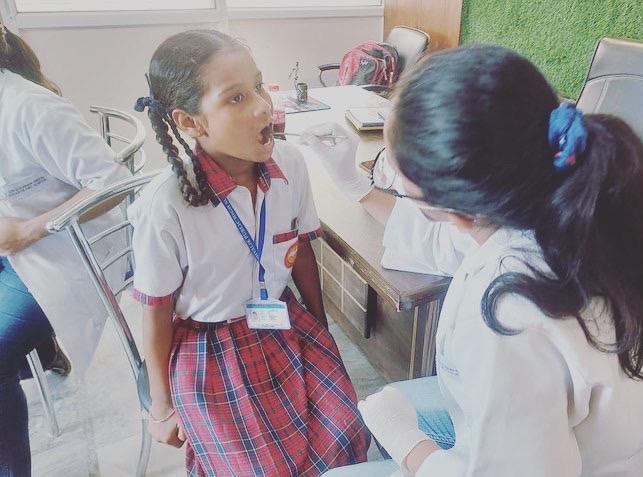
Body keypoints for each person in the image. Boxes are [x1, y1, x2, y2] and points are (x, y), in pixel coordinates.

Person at [303, 45, 643, 476]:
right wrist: (356, 185)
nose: (392, 179)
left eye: (397, 179)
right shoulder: (555, 212)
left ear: (454, 204)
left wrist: (407, 443)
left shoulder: (505, 318)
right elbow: (443, 241)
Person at [130, 29, 369, 476]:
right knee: (260, 468)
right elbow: (156, 309)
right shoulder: (166, 205)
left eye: (258, 86)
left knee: (345, 429)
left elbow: (301, 250)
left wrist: (321, 331)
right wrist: (160, 407)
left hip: (281, 319)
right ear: (190, 122)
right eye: (236, 98)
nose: (262, 106)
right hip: (209, 347)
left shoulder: (291, 164)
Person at [0, 20, 132, 476]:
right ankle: (40, 351)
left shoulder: (30, 107)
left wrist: (29, 230)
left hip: (65, 253)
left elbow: (112, 182)